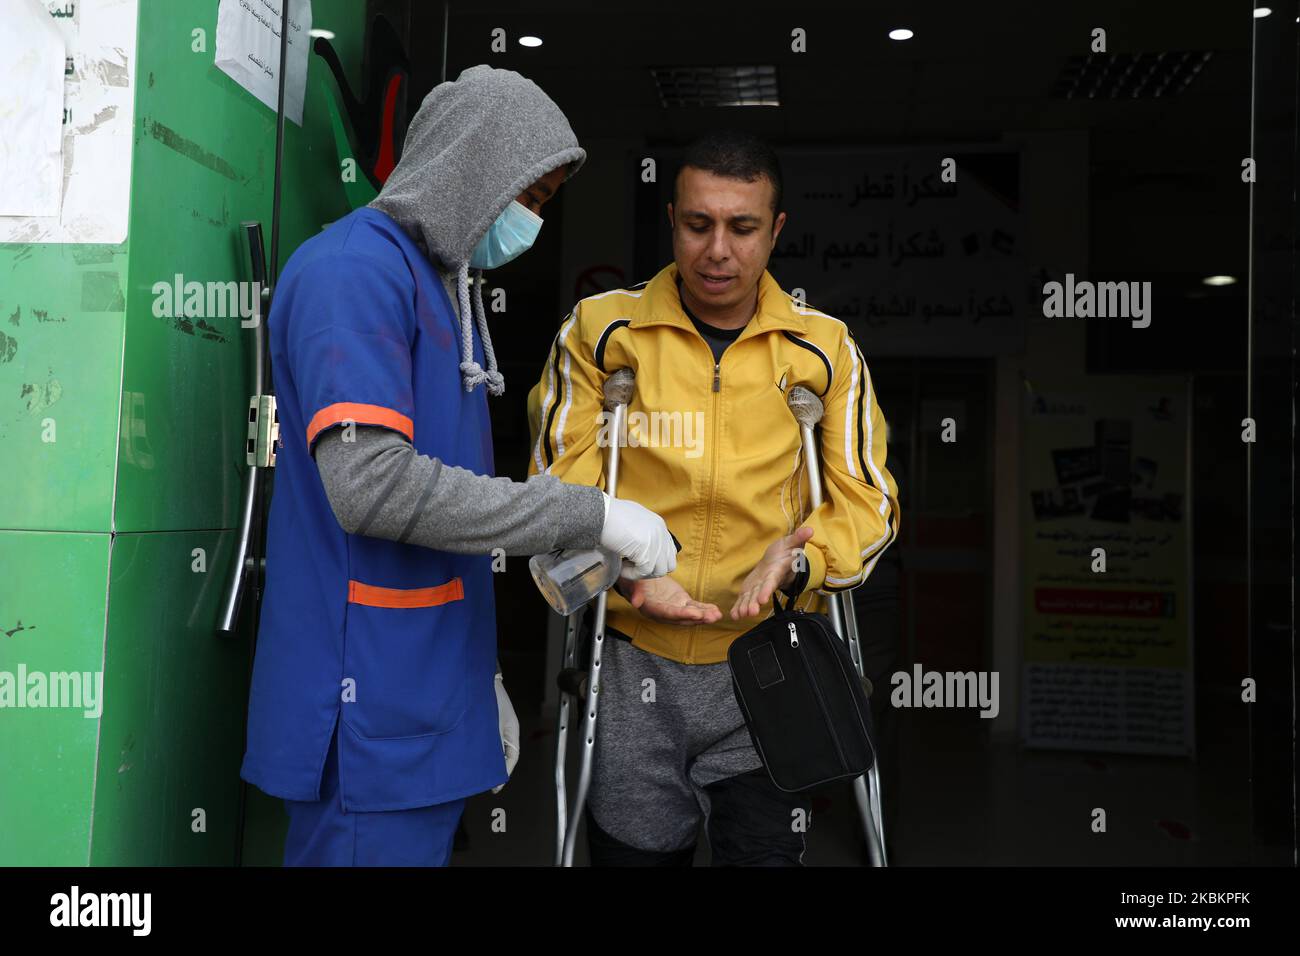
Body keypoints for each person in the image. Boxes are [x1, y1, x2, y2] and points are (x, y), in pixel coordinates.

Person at [239, 65, 676, 867]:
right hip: (369, 705)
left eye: (543, 206)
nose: (529, 223)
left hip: (423, 693)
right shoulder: (353, 274)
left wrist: (478, 680)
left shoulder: (440, 289)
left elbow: (445, 503)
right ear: (472, 165)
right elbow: (371, 486)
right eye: (527, 197)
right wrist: (592, 512)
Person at [528, 130, 901, 865]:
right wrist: (627, 575)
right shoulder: (603, 332)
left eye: (742, 227)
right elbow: (553, 494)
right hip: (633, 658)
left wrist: (800, 562)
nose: (718, 250)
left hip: (769, 663)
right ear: (672, 220)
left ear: (777, 229)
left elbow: (867, 500)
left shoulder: (823, 349)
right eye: (698, 225)